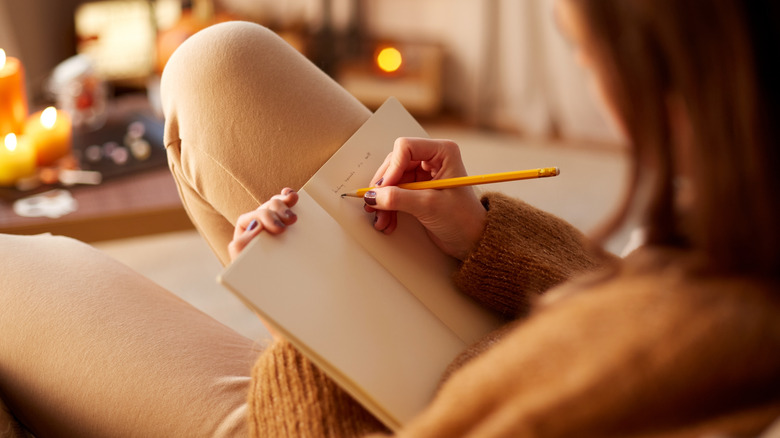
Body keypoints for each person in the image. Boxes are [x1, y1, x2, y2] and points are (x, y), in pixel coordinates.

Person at [1, 0, 778, 436]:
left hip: (346, 420)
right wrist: (485, 235)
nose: (590, 76)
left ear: (679, 76)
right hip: (488, 342)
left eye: (582, 52)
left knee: (17, 272)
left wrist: (306, 323)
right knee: (220, 64)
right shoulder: (737, 237)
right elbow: (622, 313)